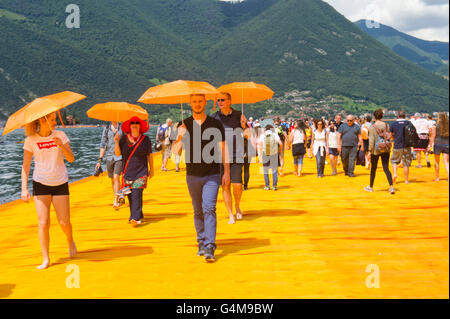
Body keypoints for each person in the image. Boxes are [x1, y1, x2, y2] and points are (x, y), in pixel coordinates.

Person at [172, 94, 230, 262]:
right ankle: (201, 241)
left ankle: (210, 245)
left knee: (209, 208)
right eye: (194, 101)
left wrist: (226, 172)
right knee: (198, 211)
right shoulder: (184, 125)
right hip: (193, 175)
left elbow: (223, 149)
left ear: (205, 102)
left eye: (200, 101)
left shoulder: (215, 124)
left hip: (212, 173)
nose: (197, 104)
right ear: (190, 103)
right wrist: (181, 135)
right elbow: (175, 152)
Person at [21, 112, 76, 269]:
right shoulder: (31, 140)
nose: (55, 122)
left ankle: (70, 240)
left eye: (54, 119)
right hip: (40, 183)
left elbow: (71, 158)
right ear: (42, 120)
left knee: (64, 222)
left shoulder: (61, 135)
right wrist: (24, 188)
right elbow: (25, 166)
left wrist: (61, 145)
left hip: (60, 182)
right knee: (43, 223)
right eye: (52, 119)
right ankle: (46, 258)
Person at [211, 92, 247, 224]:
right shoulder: (214, 117)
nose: (220, 102)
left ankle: (237, 205)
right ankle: (230, 213)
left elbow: (248, 134)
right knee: (225, 186)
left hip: (236, 155)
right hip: (220, 157)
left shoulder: (239, 115)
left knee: (237, 185)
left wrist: (243, 126)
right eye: (218, 100)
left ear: (229, 101)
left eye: (222, 100)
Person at [114, 116, 154, 226]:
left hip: (141, 172)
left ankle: (136, 218)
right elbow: (117, 154)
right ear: (129, 126)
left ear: (140, 125)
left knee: (137, 193)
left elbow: (150, 155)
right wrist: (116, 142)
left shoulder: (145, 140)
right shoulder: (123, 139)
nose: (135, 125)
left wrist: (152, 170)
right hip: (127, 172)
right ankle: (137, 214)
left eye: (137, 123)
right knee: (130, 196)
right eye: (133, 123)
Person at [365, 109, 395, 194]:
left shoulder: (372, 127)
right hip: (385, 148)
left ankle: (371, 187)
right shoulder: (386, 125)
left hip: (376, 150)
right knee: (386, 168)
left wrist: (369, 151)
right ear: (382, 116)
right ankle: (391, 186)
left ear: (374, 117)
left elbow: (371, 141)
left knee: (373, 169)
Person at [96, 121, 124, 209]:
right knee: (112, 179)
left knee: (116, 177)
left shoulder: (122, 128)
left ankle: (116, 200)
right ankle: (118, 195)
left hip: (119, 156)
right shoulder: (107, 128)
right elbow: (103, 144)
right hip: (109, 157)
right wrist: (100, 160)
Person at [390, 110, 413, 184]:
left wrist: (392, 140)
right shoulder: (408, 123)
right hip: (406, 145)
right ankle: (406, 180)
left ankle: (395, 174)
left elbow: (391, 135)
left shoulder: (393, 124)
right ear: (405, 116)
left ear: (398, 116)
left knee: (394, 161)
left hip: (397, 145)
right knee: (406, 163)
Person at [258, 125, 283, 190]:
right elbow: (280, 143)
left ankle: (267, 186)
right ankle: (274, 186)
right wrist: (279, 151)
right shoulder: (275, 135)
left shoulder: (262, 135)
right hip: (274, 153)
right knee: (274, 170)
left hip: (265, 153)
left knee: (265, 170)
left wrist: (260, 155)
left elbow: (260, 145)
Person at [429, 112, 449, 182]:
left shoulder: (435, 125)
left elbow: (433, 136)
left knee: (437, 162)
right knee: (446, 162)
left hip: (438, 144)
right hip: (447, 145)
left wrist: (430, 145)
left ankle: (437, 178)